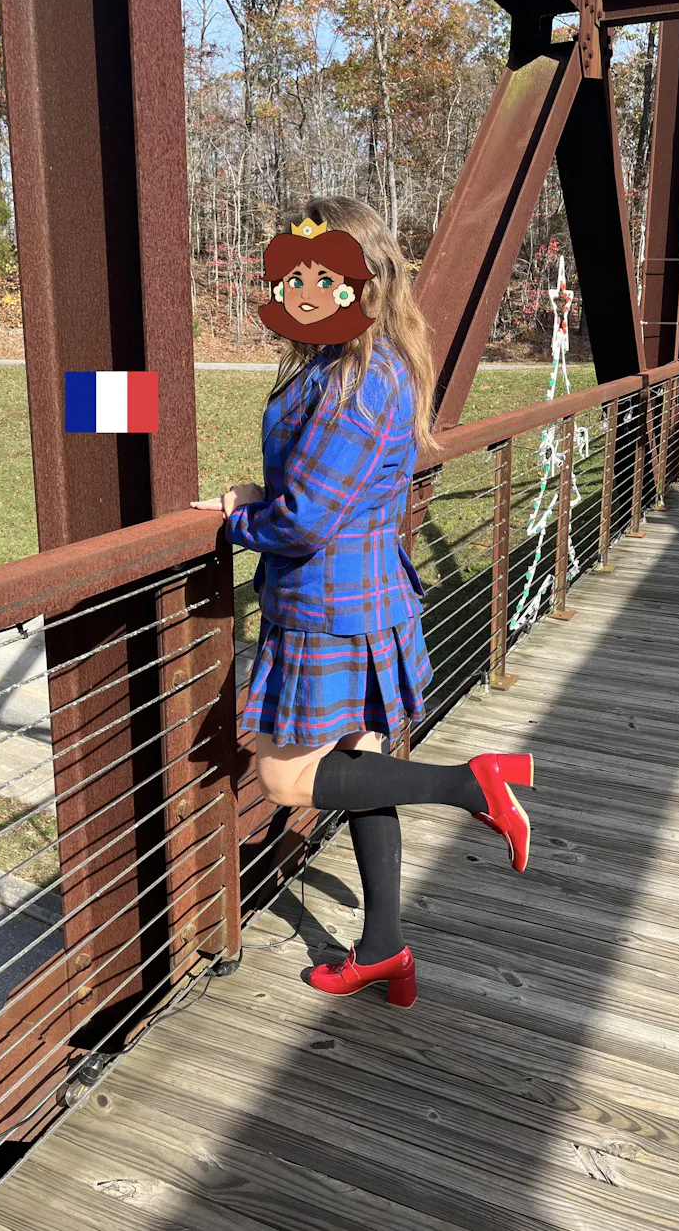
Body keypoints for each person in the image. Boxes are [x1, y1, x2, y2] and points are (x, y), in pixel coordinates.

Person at [191, 195, 533, 1010]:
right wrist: (265, 494)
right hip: (358, 600)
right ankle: (386, 951)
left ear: (363, 278)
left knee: (283, 778)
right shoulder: (349, 362)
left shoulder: (361, 376)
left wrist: (240, 518)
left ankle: (471, 785)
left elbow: (306, 519)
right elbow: (320, 491)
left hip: (331, 611)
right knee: (363, 767)